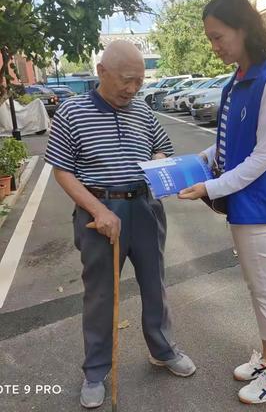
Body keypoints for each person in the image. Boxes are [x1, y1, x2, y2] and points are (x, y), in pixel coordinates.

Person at [45, 40, 196, 409]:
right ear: (102, 72)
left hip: (144, 207)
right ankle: (96, 370)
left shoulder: (141, 110)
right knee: (100, 295)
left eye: (139, 82)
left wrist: (158, 163)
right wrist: (98, 210)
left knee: (154, 285)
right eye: (126, 80)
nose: (132, 89)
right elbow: (62, 171)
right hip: (100, 214)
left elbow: (162, 147)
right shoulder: (72, 112)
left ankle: (162, 350)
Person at [178, 0, 266, 404]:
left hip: (260, 207)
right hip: (241, 205)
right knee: (257, 288)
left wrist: (210, 187)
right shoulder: (236, 79)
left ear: (244, 28)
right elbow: (229, 143)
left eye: (218, 37)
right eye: (210, 39)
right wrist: (196, 162)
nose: (215, 47)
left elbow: (263, 156)